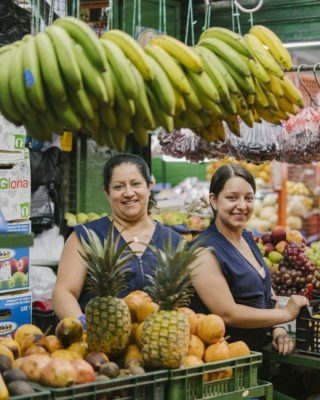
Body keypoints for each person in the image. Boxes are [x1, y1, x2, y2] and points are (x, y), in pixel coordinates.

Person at [190, 163, 309, 355]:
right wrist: (285, 314)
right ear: (213, 200)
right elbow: (227, 313)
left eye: (249, 198)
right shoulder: (203, 251)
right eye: (232, 198)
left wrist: (277, 328)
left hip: (259, 355)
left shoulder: (246, 238)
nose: (242, 206)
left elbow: (265, 289)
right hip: (227, 360)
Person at [52, 153, 181, 321]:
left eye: (136, 184)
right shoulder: (85, 237)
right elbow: (63, 293)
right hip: (99, 339)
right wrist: (83, 326)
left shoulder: (173, 240)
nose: (128, 193)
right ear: (106, 192)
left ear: (150, 186)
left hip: (160, 338)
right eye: (118, 187)